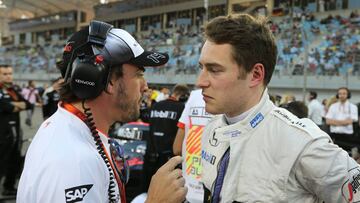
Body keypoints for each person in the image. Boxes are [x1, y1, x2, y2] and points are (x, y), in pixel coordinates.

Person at [17, 20, 187, 203]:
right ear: (108, 81)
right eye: (139, 74)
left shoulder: (68, 130)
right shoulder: (75, 162)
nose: (145, 87)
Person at [197, 14, 360, 202]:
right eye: (201, 67)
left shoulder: (302, 144)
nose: (200, 82)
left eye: (214, 70)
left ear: (256, 74)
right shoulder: (211, 129)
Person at [144, 84, 189, 190]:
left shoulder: (156, 105)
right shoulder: (181, 108)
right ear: (182, 96)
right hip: (169, 158)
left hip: (150, 155)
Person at [172, 89, 214, 203]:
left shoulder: (195, 95)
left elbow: (177, 148)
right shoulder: (237, 98)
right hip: (216, 193)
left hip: (187, 191)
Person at [0, 64, 32, 196]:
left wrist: (13, 105)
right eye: (5, 74)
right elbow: (6, 107)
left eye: (10, 73)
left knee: (14, 161)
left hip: (15, 134)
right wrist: (14, 105)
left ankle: (9, 187)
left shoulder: (13, 90)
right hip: (2, 134)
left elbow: (28, 104)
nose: (9, 76)